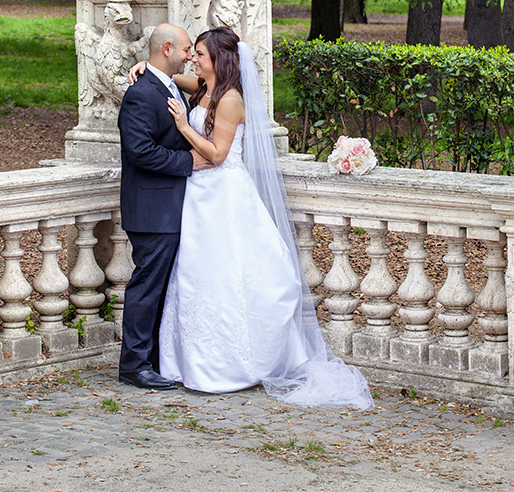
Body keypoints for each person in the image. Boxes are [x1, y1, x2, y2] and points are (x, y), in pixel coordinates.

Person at [128, 27, 373, 409]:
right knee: (196, 275)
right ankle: (187, 360)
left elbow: (218, 154)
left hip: (223, 193)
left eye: (202, 54)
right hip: (198, 197)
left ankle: (233, 362)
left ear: (220, 60)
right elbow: (172, 74)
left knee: (230, 274)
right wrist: (147, 64)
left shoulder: (229, 100)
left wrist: (181, 127)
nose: (194, 57)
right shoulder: (203, 86)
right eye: (192, 53)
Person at [117, 23, 213, 390]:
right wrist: (188, 162)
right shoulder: (141, 94)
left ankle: (154, 358)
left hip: (170, 206)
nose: (191, 56)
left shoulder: (166, 84)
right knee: (147, 286)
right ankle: (134, 365)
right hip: (152, 209)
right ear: (168, 48)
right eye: (187, 49)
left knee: (162, 287)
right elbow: (139, 151)